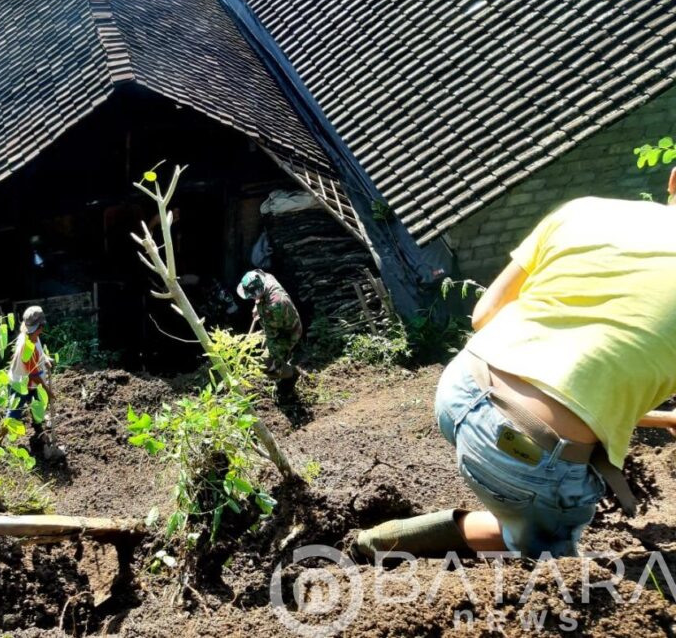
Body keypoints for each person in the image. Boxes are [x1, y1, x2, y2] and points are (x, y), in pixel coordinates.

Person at [355, 172, 676, 561]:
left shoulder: (583, 211)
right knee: (546, 552)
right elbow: (583, 393)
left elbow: (484, 316)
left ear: (674, 179)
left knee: (527, 491)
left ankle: (376, 541)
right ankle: (379, 543)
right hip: (526, 453)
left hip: (461, 386)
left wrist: (663, 419)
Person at [4, 306, 63, 461]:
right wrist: (47, 391)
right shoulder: (26, 345)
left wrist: (46, 359)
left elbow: (39, 354)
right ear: (41, 326)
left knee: (37, 407)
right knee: (13, 414)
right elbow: (33, 373)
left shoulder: (34, 336)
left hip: (30, 383)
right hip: (20, 384)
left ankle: (40, 434)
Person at [237, 269, 302, 386]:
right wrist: (257, 305)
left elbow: (272, 335)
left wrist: (267, 358)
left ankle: (292, 374)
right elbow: (260, 296)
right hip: (280, 322)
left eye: (252, 296)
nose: (251, 298)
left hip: (287, 333)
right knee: (263, 349)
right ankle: (278, 368)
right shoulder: (265, 278)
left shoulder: (274, 307)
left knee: (264, 366)